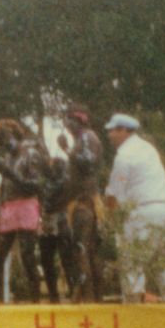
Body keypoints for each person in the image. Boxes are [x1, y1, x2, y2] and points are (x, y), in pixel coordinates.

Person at [103, 113, 165, 303]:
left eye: (112, 131)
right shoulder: (148, 149)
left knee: (132, 265)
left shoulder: (124, 156)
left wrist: (112, 224)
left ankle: (134, 310)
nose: (109, 135)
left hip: (142, 212)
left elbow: (114, 197)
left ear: (123, 131)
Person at [0, 120, 45, 303]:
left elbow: (36, 185)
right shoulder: (7, 158)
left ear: (15, 134)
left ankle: (35, 300)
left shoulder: (30, 154)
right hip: (8, 208)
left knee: (28, 256)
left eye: (6, 137)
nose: (5, 143)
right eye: (1, 141)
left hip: (27, 206)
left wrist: (12, 174)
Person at [57, 104, 104, 302]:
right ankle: (90, 296)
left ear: (76, 120)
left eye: (68, 120)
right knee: (86, 250)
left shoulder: (87, 137)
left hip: (85, 203)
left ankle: (88, 297)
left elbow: (89, 162)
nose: (65, 125)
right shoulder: (83, 139)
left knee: (82, 249)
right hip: (81, 203)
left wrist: (67, 149)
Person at [39, 153, 76, 303]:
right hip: (49, 220)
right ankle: (54, 294)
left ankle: (72, 290)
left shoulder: (66, 181)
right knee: (47, 258)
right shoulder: (47, 182)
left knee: (66, 257)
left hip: (61, 219)